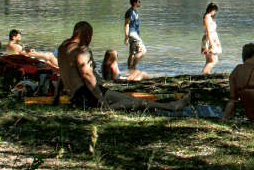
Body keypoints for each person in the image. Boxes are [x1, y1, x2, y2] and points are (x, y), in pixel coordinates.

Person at [57, 21, 189, 111]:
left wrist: (56, 96)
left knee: (130, 99)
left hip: (76, 97)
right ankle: (172, 107)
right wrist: (101, 99)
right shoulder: (82, 50)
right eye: (90, 36)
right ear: (87, 35)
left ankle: (171, 106)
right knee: (133, 102)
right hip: (87, 94)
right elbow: (87, 75)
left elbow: (63, 74)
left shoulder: (63, 48)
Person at [124, 0, 146, 70]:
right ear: (134, 3)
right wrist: (126, 36)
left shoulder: (134, 12)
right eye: (139, 1)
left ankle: (130, 69)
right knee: (143, 51)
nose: (140, 3)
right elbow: (126, 24)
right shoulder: (130, 12)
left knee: (132, 52)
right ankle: (133, 67)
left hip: (134, 34)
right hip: (132, 34)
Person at [201, 3, 222, 74]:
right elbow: (208, 30)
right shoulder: (207, 17)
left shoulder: (208, 17)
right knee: (214, 60)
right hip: (210, 38)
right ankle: (203, 73)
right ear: (212, 10)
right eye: (214, 11)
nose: (214, 12)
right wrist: (211, 42)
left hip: (211, 38)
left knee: (209, 61)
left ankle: (206, 74)